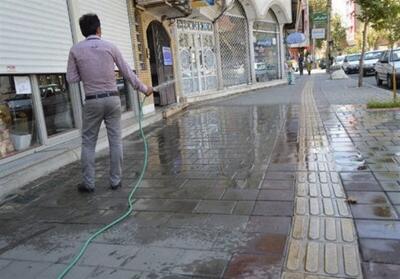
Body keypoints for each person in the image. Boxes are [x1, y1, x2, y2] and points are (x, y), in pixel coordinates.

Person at [66, 14, 153, 193]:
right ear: (99, 29)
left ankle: (88, 183)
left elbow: (71, 78)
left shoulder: (75, 50)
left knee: (88, 143)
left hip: (92, 101)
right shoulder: (110, 47)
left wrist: (88, 73)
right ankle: (115, 181)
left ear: (83, 31)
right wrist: (144, 88)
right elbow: (127, 71)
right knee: (115, 141)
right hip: (113, 99)